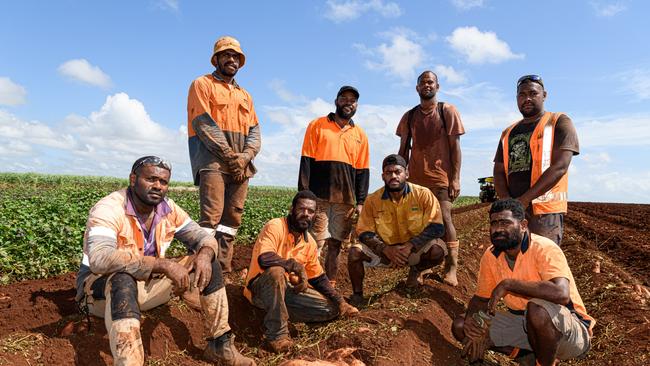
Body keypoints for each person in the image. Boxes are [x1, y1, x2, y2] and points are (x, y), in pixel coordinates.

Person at [75, 156, 255, 366]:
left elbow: (203, 238)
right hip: (99, 294)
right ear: (133, 179)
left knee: (208, 261)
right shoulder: (109, 208)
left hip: (146, 288)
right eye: (151, 179)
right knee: (122, 279)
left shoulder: (167, 208)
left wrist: (205, 254)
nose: (158, 186)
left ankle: (219, 346)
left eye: (163, 182)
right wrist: (161, 264)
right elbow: (99, 258)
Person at [452, 199, 594, 366]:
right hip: (524, 325)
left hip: (568, 331)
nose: (498, 229)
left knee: (537, 309)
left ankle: (545, 363)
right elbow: (481, 299)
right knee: (461, 326)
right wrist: (473, 324)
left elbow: (561, 294)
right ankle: (525, 357)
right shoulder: (491, 256)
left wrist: (509, 284)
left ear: (523, 225)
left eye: (505, 222)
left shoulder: (544, 248)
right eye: (494, 223)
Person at [243, 190, 359, 353]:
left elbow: (318, 278)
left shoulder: (309, 242)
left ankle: (278, 314)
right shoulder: (276, 226)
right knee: (276, 272)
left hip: (286, 292)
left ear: (315, 215)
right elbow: (264, 259)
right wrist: (293, 265)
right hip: (260, 289)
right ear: (292, 209)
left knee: (331, 309)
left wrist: (340, 302)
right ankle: (277, 336)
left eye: (310, 211)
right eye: (301, 209)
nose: (306, 214)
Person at [187, 35, 261, 273]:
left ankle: (222, 268)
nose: (232, 60)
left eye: (236, 56)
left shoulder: (245, 95)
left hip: (240, 165)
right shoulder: (202, 84)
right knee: (211, 219)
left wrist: (245, 157)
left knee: (231, 220)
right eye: (227, 55)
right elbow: (204, 124)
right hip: (213, 162)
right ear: (216, 59)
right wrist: (232, 157)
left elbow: (255, 132)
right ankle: (201, 270)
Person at [347, 154, 446, 305]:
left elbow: (437, 226)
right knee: (354, 252)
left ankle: (416, 270)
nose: (393, 176)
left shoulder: (423, 194)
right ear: (383, 176)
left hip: (413, 251)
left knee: (437, 250)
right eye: (388, 172)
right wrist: (385, 249)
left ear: (406, 174)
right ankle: (358, 296)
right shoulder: (372, 200)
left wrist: (411, 246)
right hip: (385, 252)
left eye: (397, 172)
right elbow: (364, 232)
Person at [396, 70, 465, 286]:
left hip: (440, 178)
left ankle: (451, 266)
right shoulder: (409, 116)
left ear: (437, 86)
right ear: (417, 88)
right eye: (423, 82)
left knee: (445, 218)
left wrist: (455, 178)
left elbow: (455, 148)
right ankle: (418, 268)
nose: (427, 85)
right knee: (417, 224)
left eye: (430, 82)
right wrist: (400, 176)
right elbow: (403, 149)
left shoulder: (447, 111)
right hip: (415, 179)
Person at [493, 75, 579, 246]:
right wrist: (509, 203)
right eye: (522, 95)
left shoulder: (559, 122)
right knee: (516, 262)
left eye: (533, 93)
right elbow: (499, 170)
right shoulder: (508, 132)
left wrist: (524, 200)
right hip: (515, 212)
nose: (527, 99)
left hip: (544, 212)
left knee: (543, 263)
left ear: (544, 95)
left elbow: (560, 166)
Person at [298, 86, 370, 285]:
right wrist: (304, 194)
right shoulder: (317, 125)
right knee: (314, 242)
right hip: (318, 196)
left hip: (345, 200)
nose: (348, 102)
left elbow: (362, 171)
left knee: (336, 244)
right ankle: (308, 282)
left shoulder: (360, 135)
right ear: (336, 101)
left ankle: (330, 284)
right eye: (344, 98)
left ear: (356, 105)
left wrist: (361, 201)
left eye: (353, 100)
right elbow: (306, 161)